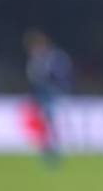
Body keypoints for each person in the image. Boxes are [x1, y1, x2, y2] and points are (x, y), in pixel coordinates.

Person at [23, 28, 73, 165]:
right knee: (44, 124)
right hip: (42, 97)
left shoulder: (54, 58)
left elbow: (62, 75)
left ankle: (53, 151)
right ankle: (48, 150)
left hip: (52, 96)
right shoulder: (35, 60)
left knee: (51, 123)